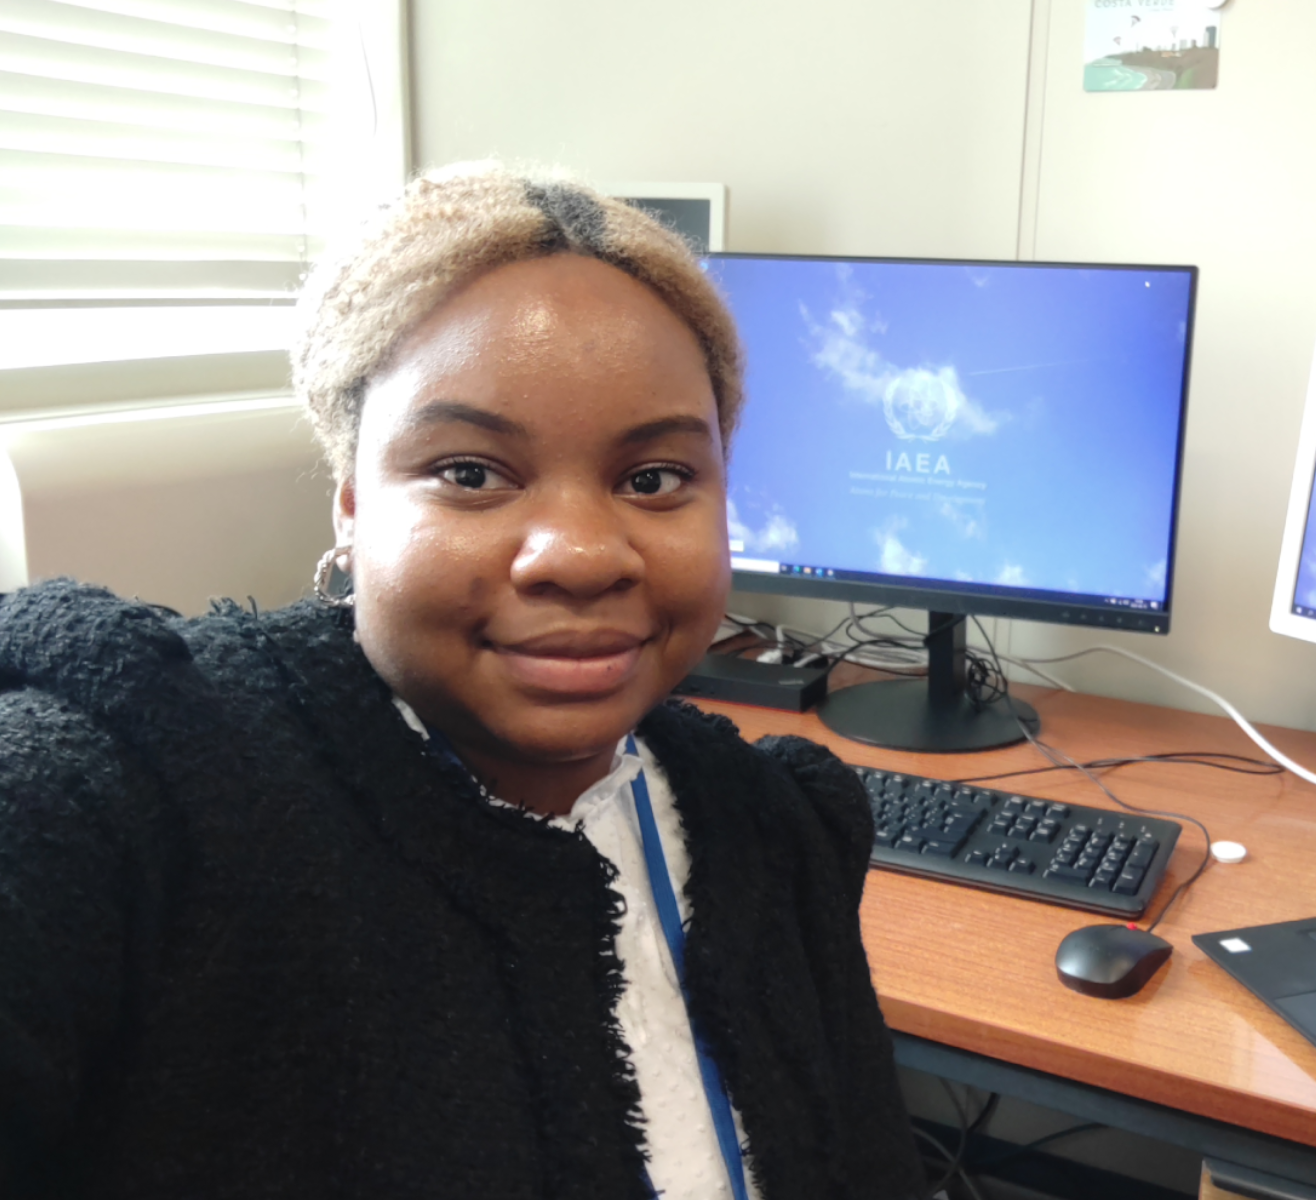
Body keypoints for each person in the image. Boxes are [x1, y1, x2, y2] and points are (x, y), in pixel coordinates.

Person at [0, 164, 926, 1200]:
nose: (580, 555)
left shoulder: (780, 834)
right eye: (470, 473)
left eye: (654, 478)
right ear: (352, 504)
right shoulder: (134, 798)